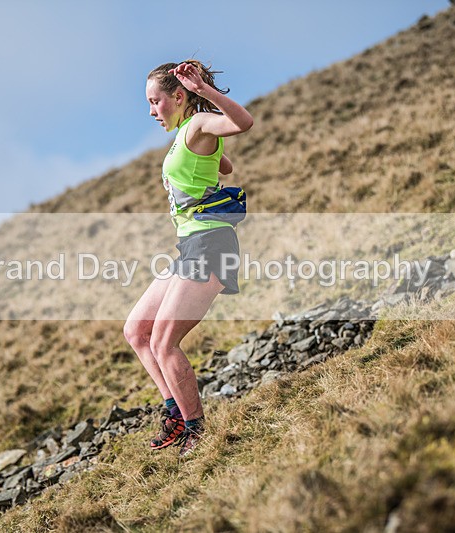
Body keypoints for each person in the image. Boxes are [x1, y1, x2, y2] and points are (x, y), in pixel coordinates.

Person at [123, 60, 254, 457]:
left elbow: (243, 123)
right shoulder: (187, 133)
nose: (151, 111)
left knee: (164, 342)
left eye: (155, 101)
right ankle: (175, 413)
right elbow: (221, 162)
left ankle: (196, 431)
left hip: (210, 245)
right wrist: (210, 160)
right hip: (190, 246)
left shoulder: (197, 123)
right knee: (137, 331)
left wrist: (206, 92)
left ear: (179, 96)